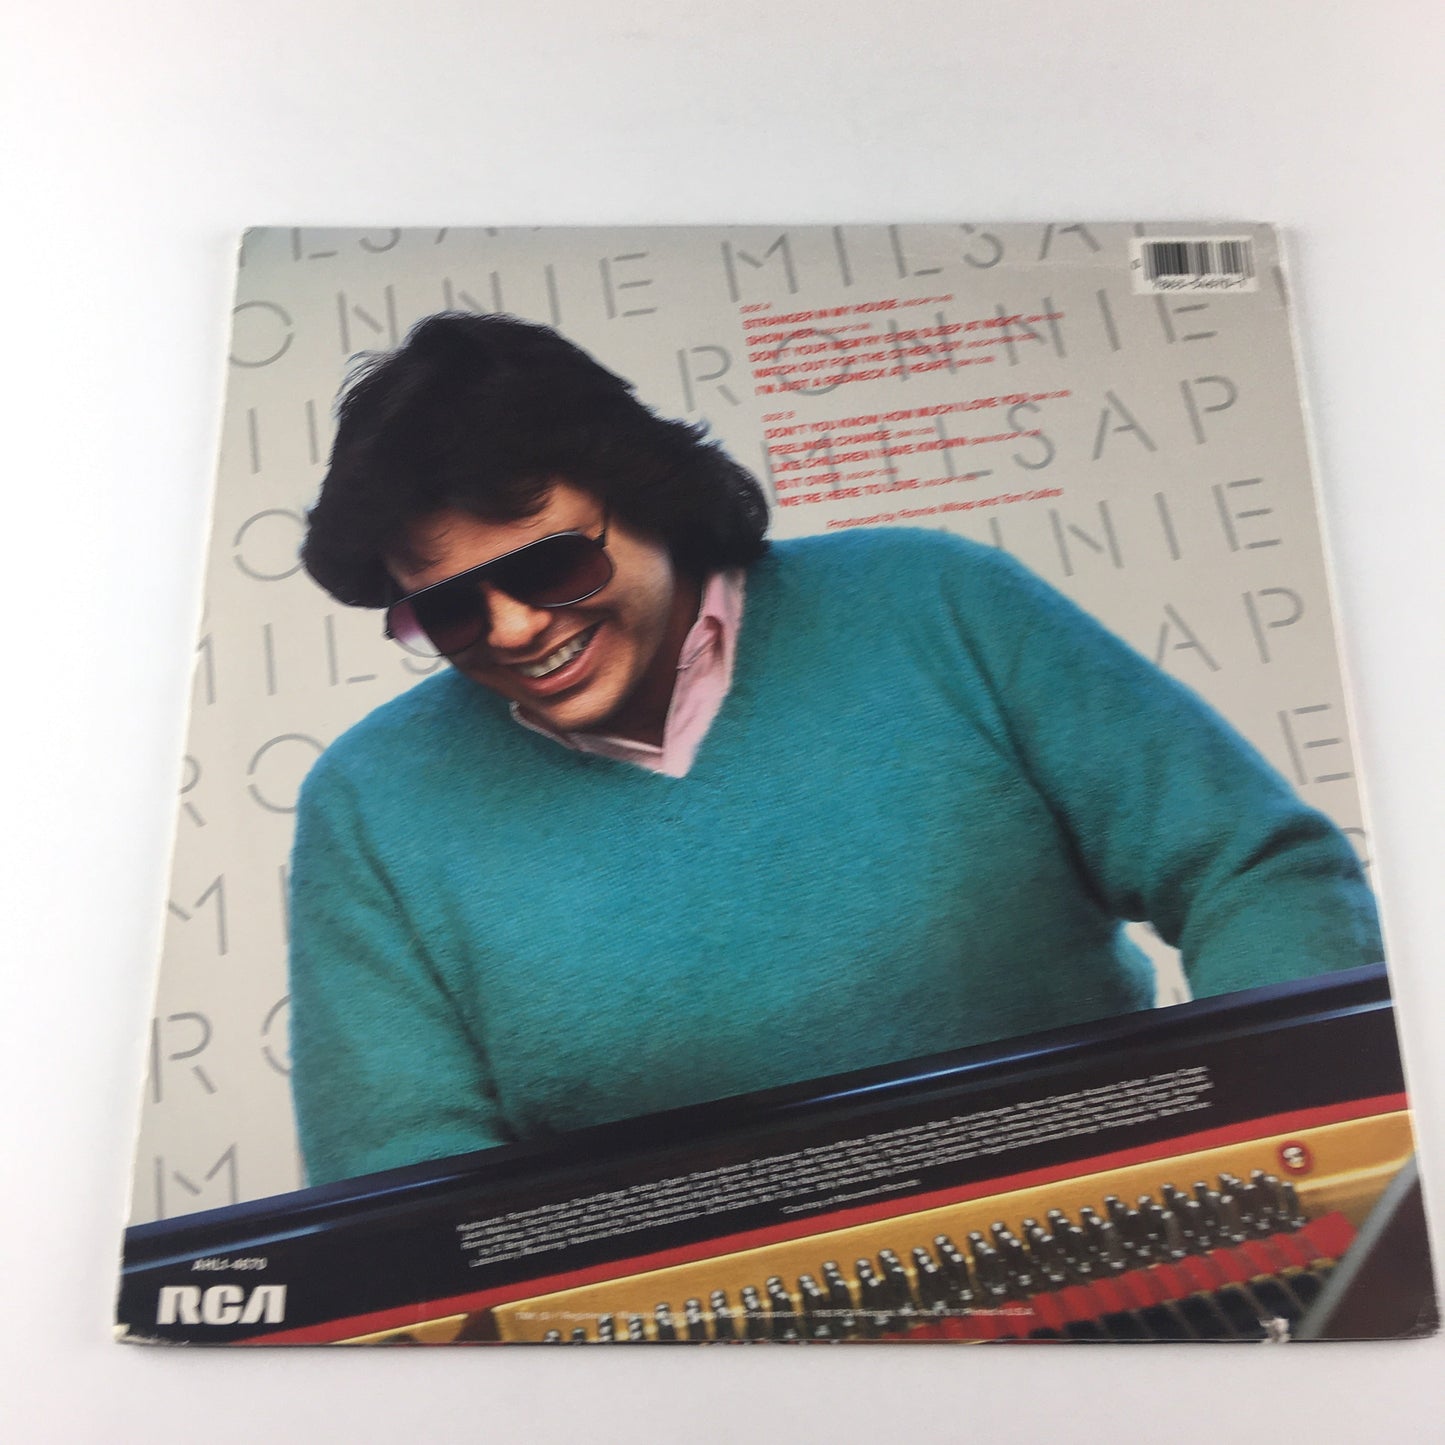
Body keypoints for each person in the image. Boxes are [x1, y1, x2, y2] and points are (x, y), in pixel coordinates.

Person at [288, 312, 1382, 1187]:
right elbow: (401, 1170)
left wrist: (1273, 1150)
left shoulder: (938, 602)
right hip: (685, 1336)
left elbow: (1253, 870)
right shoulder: (371, 806)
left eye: (546, 568)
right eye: (450, 609)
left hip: (1120, 1229)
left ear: (647, 493)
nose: (515, 628)